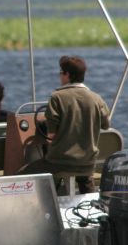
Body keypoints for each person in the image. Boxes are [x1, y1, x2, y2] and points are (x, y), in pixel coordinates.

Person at [40, 55, 111, 194]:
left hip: (60, 161)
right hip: (87, 162)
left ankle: (49, 201)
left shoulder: (57, 97)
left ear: (67, 75)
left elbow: (51, 135)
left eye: (61, 73)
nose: (60, 76)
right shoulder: (96, 98)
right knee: (84, 175)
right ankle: (90, 205)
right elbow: (106, 125)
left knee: (27, 171)